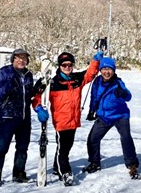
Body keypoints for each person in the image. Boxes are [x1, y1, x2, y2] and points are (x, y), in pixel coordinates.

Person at [33, 50, 103, 186]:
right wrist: (39, 109)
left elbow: (90, 74)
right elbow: (35, 97)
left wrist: (96, 60)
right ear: (59, 66)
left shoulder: (76, 79)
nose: (67, 67)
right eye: (64, 65)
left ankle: (56, 166)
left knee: (65, 147)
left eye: (70, 64)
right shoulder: (52, 83)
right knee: (63, 149)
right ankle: (64, 172)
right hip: (61, 122)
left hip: (74, 121)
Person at [0, 48, 49, 187]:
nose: (21, 61)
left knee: (22, 148)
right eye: (18, 58)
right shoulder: (5, 72)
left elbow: (28, 95)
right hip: (8, 117)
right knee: (2, 148)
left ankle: (18, 174)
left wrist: (38, 87)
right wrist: (10, 83)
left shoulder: (28, 74)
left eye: (24, 58)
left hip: (24, 117)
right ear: (13, 59)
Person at [83, 57, 140, 179]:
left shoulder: (118, 82)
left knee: (126, 138)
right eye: (104, 69)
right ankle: (94, 163)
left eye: (109, 69)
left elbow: (128, 96)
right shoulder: (97, 82)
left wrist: (123, 93)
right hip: (104, 116)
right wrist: (91, 110)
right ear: (100, 70)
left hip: (120, 115)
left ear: (113, 70)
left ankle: (132, 165)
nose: (106, 72)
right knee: (92, 139)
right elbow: (94, 97)